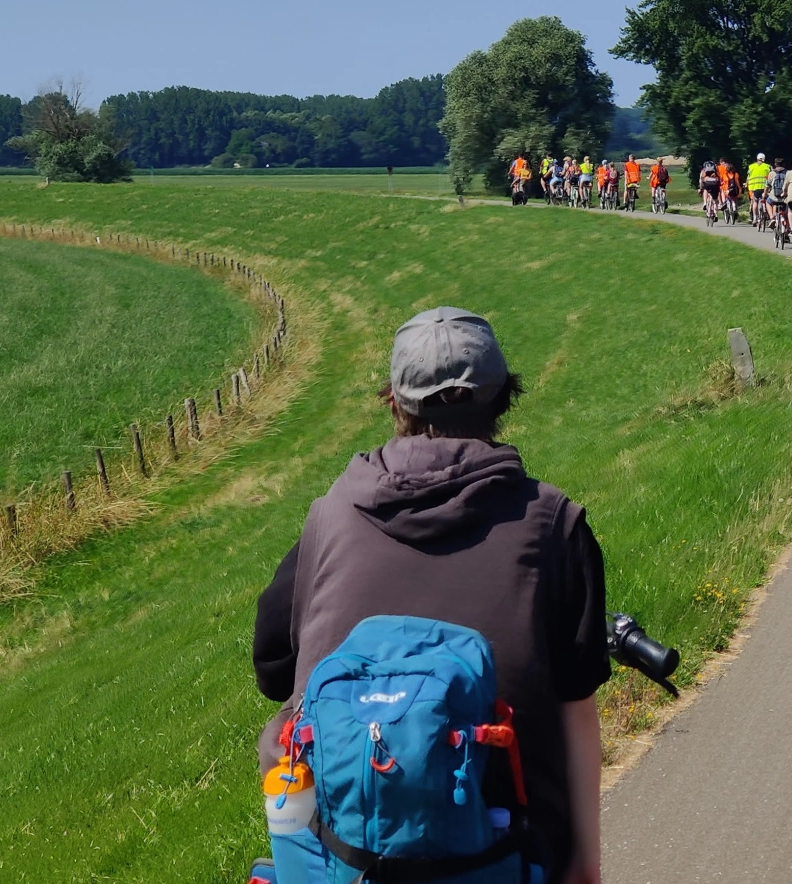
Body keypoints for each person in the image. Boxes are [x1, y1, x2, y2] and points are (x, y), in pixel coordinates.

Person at [252, 307, 610, 884]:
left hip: (343, 861)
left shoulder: (329, 517)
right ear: (503, 400)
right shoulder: (553, 524)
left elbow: (273, 670)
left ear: (395, 402)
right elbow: (576, 706)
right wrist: (584, 867)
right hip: (506, 856)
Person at [747, 153, 771, 219]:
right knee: (766, 200)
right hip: (765, 187)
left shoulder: (751, 167)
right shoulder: (768, 166)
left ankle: (754, 217)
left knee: (755, 201)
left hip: (755, 188)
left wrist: (747, 185)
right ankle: (766, 213)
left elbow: (748, 177)